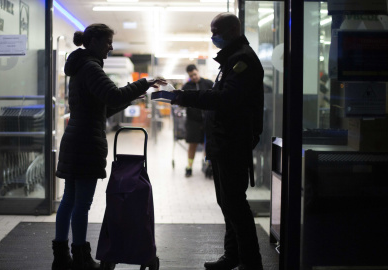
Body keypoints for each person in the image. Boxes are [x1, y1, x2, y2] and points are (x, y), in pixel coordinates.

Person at [52, 23, 166, 270]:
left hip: (76, 137)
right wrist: (144, 83)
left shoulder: (80, 67)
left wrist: (130, 100)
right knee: (81, 204)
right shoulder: (92, 68)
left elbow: (101, 107)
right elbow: (113, 95)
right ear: (93, 42)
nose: (111, 47)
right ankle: (81, 257)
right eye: (107, 42)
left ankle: (61, 257)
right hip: (85, 143)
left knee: (69, 200)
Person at [171, 13, 264, 270]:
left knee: (235, 203)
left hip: (234, 141)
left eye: (217, 30)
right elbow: (219, 95)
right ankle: (232, 256)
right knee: (227, 203)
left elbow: (225, 100)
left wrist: (182, 97)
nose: (213, 36)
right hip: (223, 141)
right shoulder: (231, 60)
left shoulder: (242, 60)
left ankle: (250, 262)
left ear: (233, 30)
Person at [181, 64, 214, 177]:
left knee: (207, 144)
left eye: (195, 74)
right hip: (193, 121)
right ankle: (189, 167)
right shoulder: (186, 87)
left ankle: (207, 166)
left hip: (207, 120)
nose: (194, 77)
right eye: (191, 76)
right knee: (193, 145)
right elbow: (181, 102)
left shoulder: (208, 83)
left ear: (198, 72)